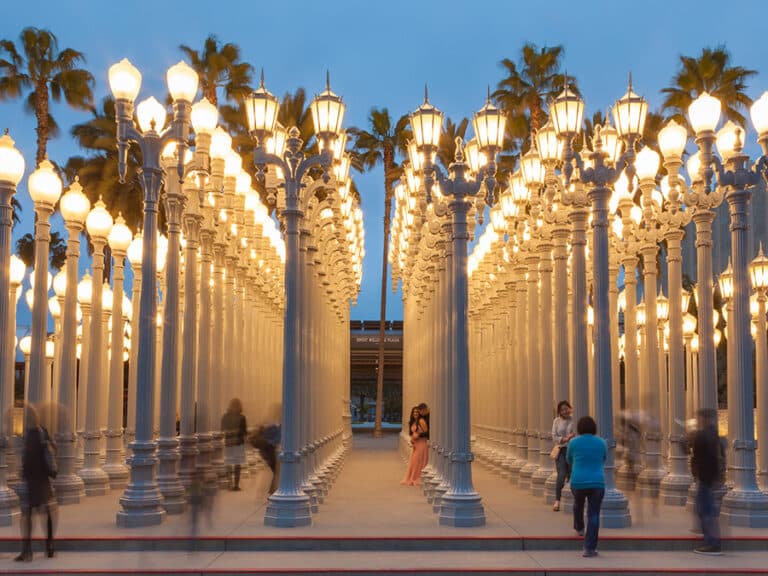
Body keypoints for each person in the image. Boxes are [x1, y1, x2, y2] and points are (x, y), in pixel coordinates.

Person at [16, 405, 56, 562]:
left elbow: (27, 458)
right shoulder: (42, 431)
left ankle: (27, 551)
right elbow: (53, 448)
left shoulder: (29, 435)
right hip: (41, 479)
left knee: (27, 516)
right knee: (44, 512)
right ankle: (49, 545)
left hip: (33, 479)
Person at [567, 415, 606, 558]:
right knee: (594, 514)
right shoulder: (601, 442)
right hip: (597, 482)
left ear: (579, 428)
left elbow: (569, 459)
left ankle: (579, 527)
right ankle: (589, 548)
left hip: (578, 481)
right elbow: (603, 458)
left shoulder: (573, 442)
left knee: (578, 503)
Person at [691, 408, 723, 555]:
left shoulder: (702, 435)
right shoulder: (715, 435)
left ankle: (711, 543)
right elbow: (719, 457)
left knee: (705, 509)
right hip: (710, 478)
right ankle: (711, 541)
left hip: (704, 477)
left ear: (703, 419)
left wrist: (696, 473)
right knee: (707, 509)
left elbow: (696, 456)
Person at [551, 400, 575, 512]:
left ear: (570, 408)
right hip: (560, 450)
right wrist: (565, 439)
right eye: (562, 409)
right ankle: (557, 500)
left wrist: (570, 438)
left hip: (572, 450)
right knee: (561, 474)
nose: (565, 411)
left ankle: (571, 498)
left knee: (571, 474)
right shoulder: (556, 421)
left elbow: (576, 433)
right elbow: (554, 436)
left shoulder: (574, 420)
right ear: (559, 411)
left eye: (566, 408)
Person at [221, 398, 247, 491]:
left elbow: (222, 429)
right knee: (237, 464)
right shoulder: (242, 417)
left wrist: (230, 433)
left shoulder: (225, 416)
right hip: (238, 443)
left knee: (230, 463)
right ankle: (235, 485)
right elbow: (244, 432)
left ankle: (230, 483)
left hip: (229, 442)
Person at [401, 406, 429, 486]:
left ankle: (418, 477)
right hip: (416, 445)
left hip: (422, 444)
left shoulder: (421, 421)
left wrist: (418, 435)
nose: (415, 413)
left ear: (420, 413)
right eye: (414, 412)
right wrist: (413, 438)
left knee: (419, 461)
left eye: (417, 412)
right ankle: (413, 477)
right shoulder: (414, 422)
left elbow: (427, 433)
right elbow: (412, 433)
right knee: (414, 462)